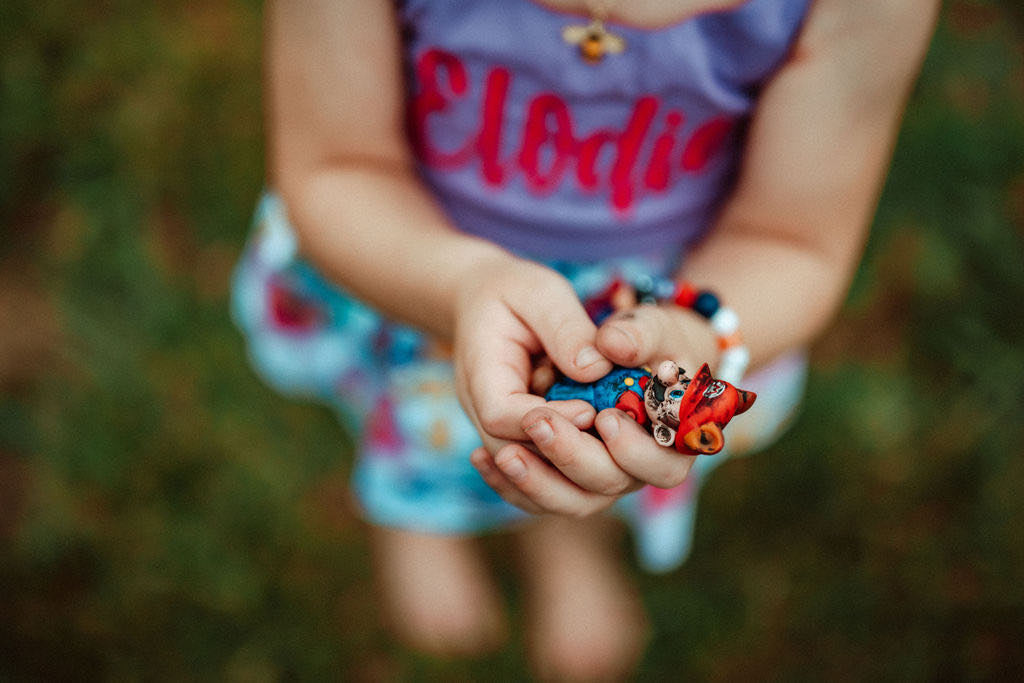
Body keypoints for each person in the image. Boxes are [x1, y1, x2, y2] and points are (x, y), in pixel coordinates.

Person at [232, 0, 938, 677]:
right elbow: (338, 167)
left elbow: (791, 239)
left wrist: (695, 327)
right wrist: (457, 285)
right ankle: (415, 513)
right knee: (422, 420)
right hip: (414, 267)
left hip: (674, 293)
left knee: (583, 453)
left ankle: (565, 538)